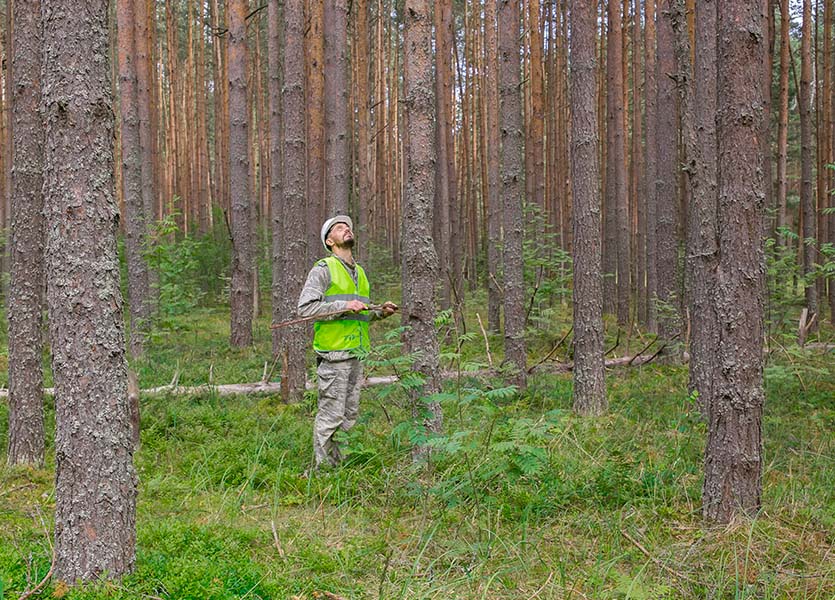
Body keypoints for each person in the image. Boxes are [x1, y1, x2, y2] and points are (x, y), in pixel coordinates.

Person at [297, 215, 397, 470]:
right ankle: (323, 473)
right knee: (331, 416)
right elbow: (306, 309)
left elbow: (359, 314)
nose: (346, 229)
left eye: (348, 227)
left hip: (357, 355)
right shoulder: (323, 269)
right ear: (330, 241)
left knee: (349, 417)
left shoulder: (360, 273)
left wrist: (379, 312)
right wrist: (344, 305)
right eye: (339, 228)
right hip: (334, 356)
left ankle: (339, 468)